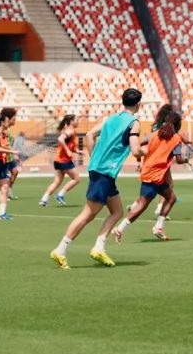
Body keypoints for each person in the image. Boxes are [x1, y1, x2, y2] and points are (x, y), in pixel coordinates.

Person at [50, 88, 144, 270]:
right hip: (104, 172)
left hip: (100, 171)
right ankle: (60, 250)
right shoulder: (134, 122)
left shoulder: (111, 118)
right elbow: (135, 150)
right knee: (88, 214)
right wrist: (149, 151)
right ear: (139, 104)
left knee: (117, 211)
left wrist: (94, 157)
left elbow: (89, 135)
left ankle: (99, 247)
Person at [113, 111, 188, 242]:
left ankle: (158, 228)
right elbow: (180, 159)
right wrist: (187, 159)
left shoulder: (153, 135)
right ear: (178, 124)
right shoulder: (176, 139)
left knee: (171, 198)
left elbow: (137, 145)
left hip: (153, 174)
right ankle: (119, 229)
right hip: (154, 177)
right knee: (142, 206)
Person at [39, 114, 81, 206]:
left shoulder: (70, 131)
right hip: (64, 160)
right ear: (71, 122)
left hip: (59, 160)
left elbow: (68, 144)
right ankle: (60, 194)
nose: (78, 121)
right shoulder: (70, 131)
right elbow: (60, 139)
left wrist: (76, 151)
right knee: (76, 178)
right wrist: (67, 151)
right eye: (77, 120)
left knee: (57, 182)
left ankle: (44, 199)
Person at [0, 108, 21, 200]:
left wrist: (14, 155)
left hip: (10, 155)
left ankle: (8, 191)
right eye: (14, 118)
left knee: (15, 172)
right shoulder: (3, 129)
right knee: (3, 176)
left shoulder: (8, 129)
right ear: (8, 118)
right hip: (4, 156)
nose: (15, 120)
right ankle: (1, 194)